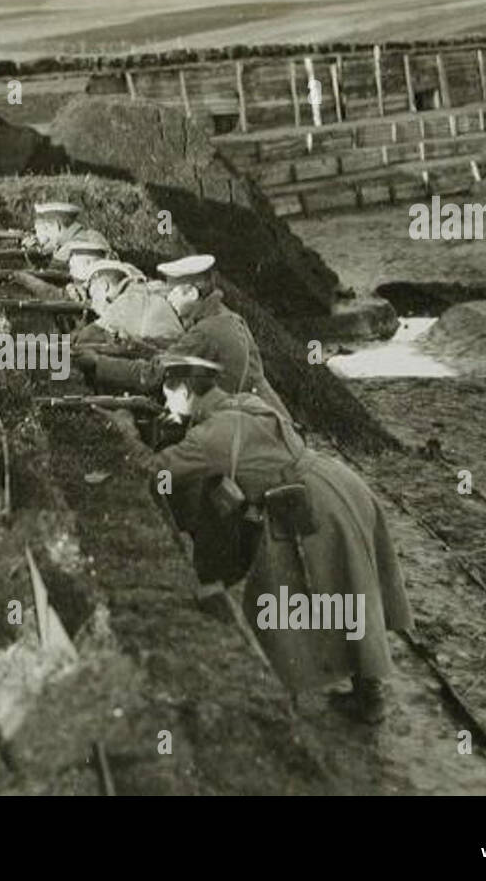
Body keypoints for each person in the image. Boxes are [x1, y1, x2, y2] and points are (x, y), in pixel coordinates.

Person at [93, 354, 414, 724]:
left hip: (311, 504)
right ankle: (367, 691)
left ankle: (309, 697)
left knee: (308, 587)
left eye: (168, 394)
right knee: (350, 582)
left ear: (183, 390)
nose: (165, 403)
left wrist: (124, 430)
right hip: (338, 483)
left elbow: (154, 471)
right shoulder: (245, 404)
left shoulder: (210, 436)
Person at [73, 254, 289, 418]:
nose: (169, 298)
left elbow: (152, 376)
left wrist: (98, 363)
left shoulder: (205, 331)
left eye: (174, 292)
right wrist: (138, 348)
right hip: (266, 416)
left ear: (192, 293)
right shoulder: (226, 317)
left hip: (238, 426)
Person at [23, 201, 110, 261]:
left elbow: (52, 270)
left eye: (46, 228)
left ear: (57, 226)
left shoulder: (72, 246)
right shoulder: (93, 235)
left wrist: (31, 254)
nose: (44, 234)